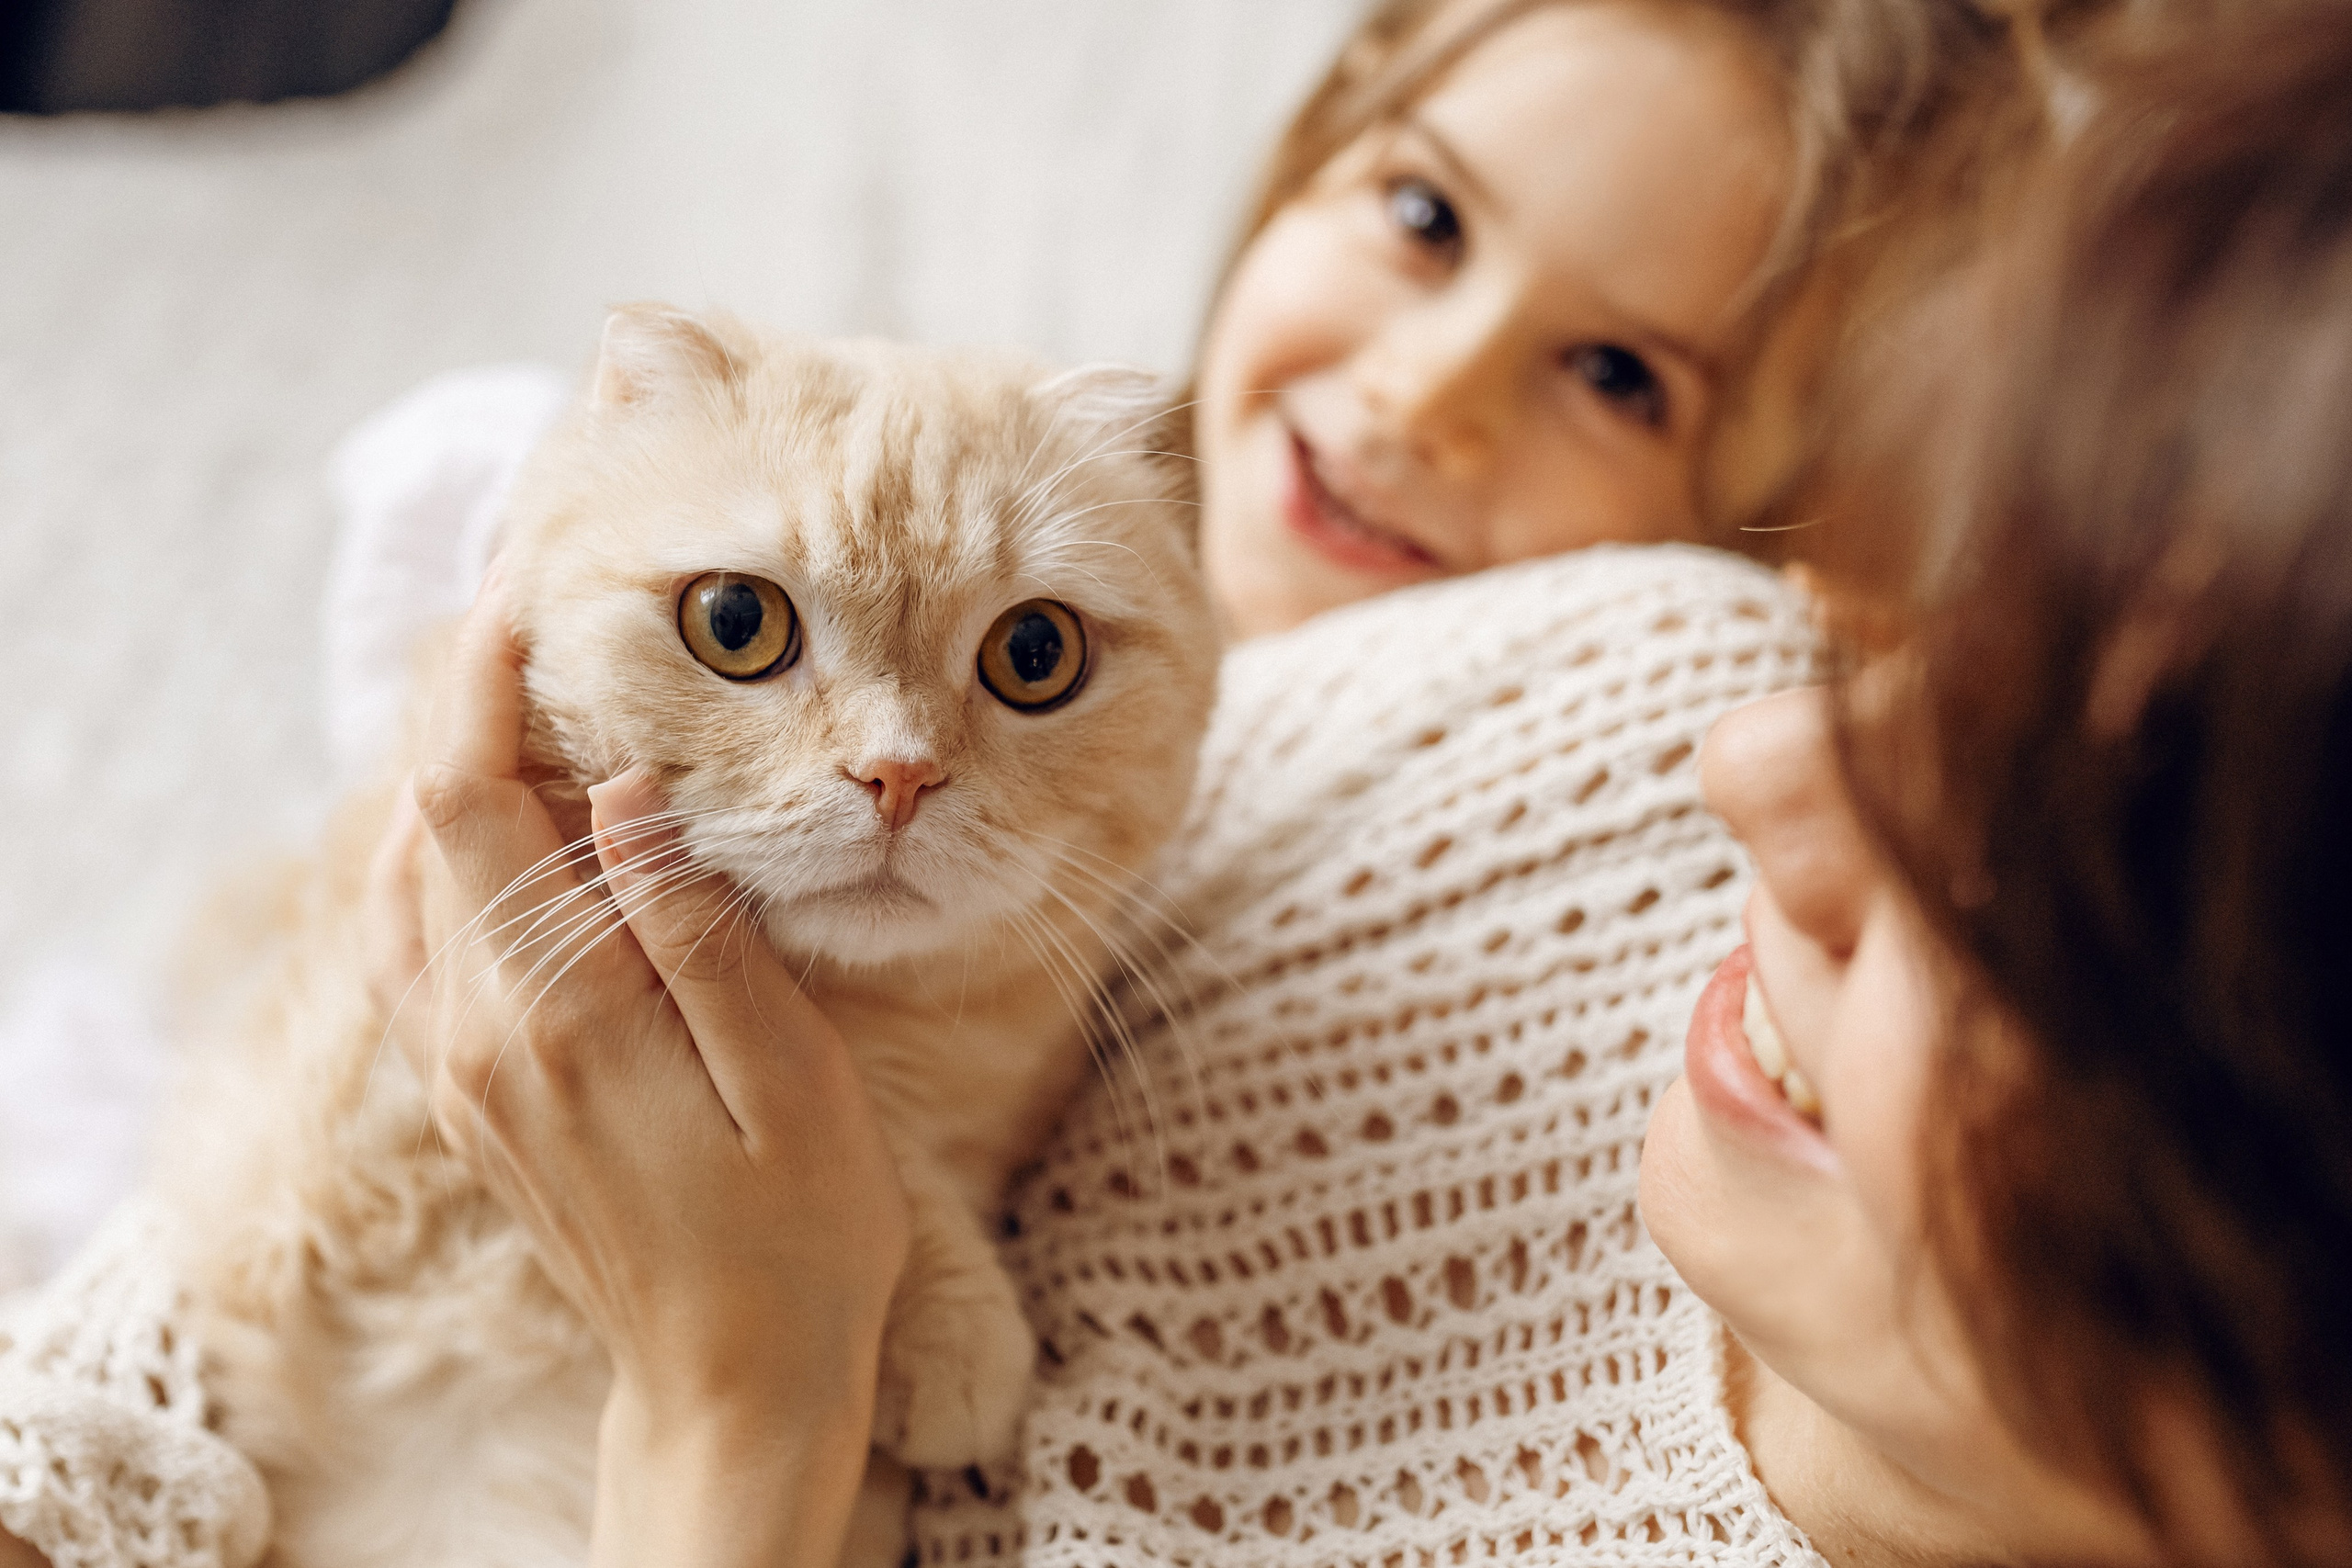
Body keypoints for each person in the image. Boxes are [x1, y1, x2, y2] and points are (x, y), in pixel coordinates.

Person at [0, 0, 2027, 1564]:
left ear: (1775, 530)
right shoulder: (983, 471)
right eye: (1419, 214)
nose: (1421, 392)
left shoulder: (1593, 746)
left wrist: (750, 1394)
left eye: (1618, 375)